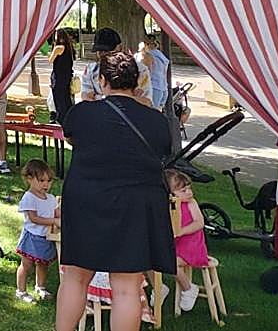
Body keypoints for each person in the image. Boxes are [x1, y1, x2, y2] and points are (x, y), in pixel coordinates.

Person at [54, 38, 176, 331]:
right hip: (136, 204)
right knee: (127, 289)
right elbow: (163, 149)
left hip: (87, 201)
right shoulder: (156, 121)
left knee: (75, 278)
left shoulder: (83, 113)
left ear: (103, 80)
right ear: (136, 81)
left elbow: (72, 134)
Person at [15, 158, 60, 302]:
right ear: (29, 179)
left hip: (45, 237)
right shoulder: (29, 197)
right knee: (26, 265)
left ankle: (40, 287)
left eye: (49, 181)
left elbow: (57, 212)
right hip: (32, 237)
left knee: (43, 263)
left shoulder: (51, 198)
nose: (46, 184)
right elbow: (34, 218)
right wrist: (53, 221)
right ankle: (21, 291)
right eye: (41, 181)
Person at [165, 168, 208, 312]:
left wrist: (181, 231)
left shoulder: (191, 203)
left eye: (189, 188)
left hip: (192, 247)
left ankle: (189, 288)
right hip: (175, 246)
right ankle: (158, 287)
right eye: (183, 191)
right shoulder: (169, 205)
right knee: (148, 257)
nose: (189, 192)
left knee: (170, 262)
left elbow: (199, 223)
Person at [49, 27, 77, 123]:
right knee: (66, 98)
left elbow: (50, 60)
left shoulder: (58, 48)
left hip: (58, 77)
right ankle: (69, 119)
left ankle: (61, 119)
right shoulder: (69, 48)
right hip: (67, 76)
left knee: (59, 99)